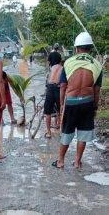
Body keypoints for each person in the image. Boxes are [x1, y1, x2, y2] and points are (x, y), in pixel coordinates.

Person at [52, 32, 102, 169]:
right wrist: (95, 107)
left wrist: (62, 104)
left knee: (67, 132)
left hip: (71, 102)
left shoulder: (68, 62)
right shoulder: (97, 64)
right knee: (83, 133)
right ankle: (77, 162)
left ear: (76, 48)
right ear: (90, 48)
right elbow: (96, 90)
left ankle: (61, 161)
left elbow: (62, 86)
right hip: (88, 102)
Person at [43, 57, 63, 138]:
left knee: (48, 112)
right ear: (61, 62)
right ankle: (60, 129)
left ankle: (48, 132)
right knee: (60, 109)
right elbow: (64, 81)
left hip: (50, 88)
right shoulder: (63, 68)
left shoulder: (52, 68)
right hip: (58, 88)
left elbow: (47, 81)